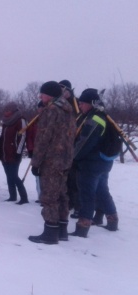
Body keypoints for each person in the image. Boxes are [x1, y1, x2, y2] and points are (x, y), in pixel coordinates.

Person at [28, 81, 75, 244]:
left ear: (50, 95)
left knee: (49, 196)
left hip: (51, 160)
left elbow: (43, 138)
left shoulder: (51, 110)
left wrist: (36, 162)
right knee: (62, 194)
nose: (40, 97)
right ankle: (62, 230)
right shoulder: (68, 109)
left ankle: (50, 232)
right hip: (65, 159)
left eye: (42, 94)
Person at [70, 88, 119, 237]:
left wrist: (72, 158)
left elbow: (85, 144)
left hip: (91, 164)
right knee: (102, 191)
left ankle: (82, 228)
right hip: (104, 162)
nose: (80, 106)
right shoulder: (102, 116)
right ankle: (112, 221)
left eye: (82, 103)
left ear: (91, 103)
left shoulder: (94, 119)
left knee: (87, 195)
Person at [0, 102, 29, 204]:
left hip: (14, 152)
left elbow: (23, 137)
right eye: (5, 110)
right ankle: (12, 196)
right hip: (5, 153)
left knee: (14, 175)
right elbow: (2, 137)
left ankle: (24, 197)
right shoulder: (6, 122)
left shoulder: (20, 120)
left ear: (13, 111)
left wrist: (18, 152)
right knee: (8, 175)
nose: (5, 112)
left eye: (8, 110)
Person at [59, 80, 81, 216]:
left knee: (74, 178)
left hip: (74, 145)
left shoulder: (76, 104)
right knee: (65, 177)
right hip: (63, 145)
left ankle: (78, 205)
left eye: (63, 90)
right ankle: (69, 203)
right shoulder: (61, 104)